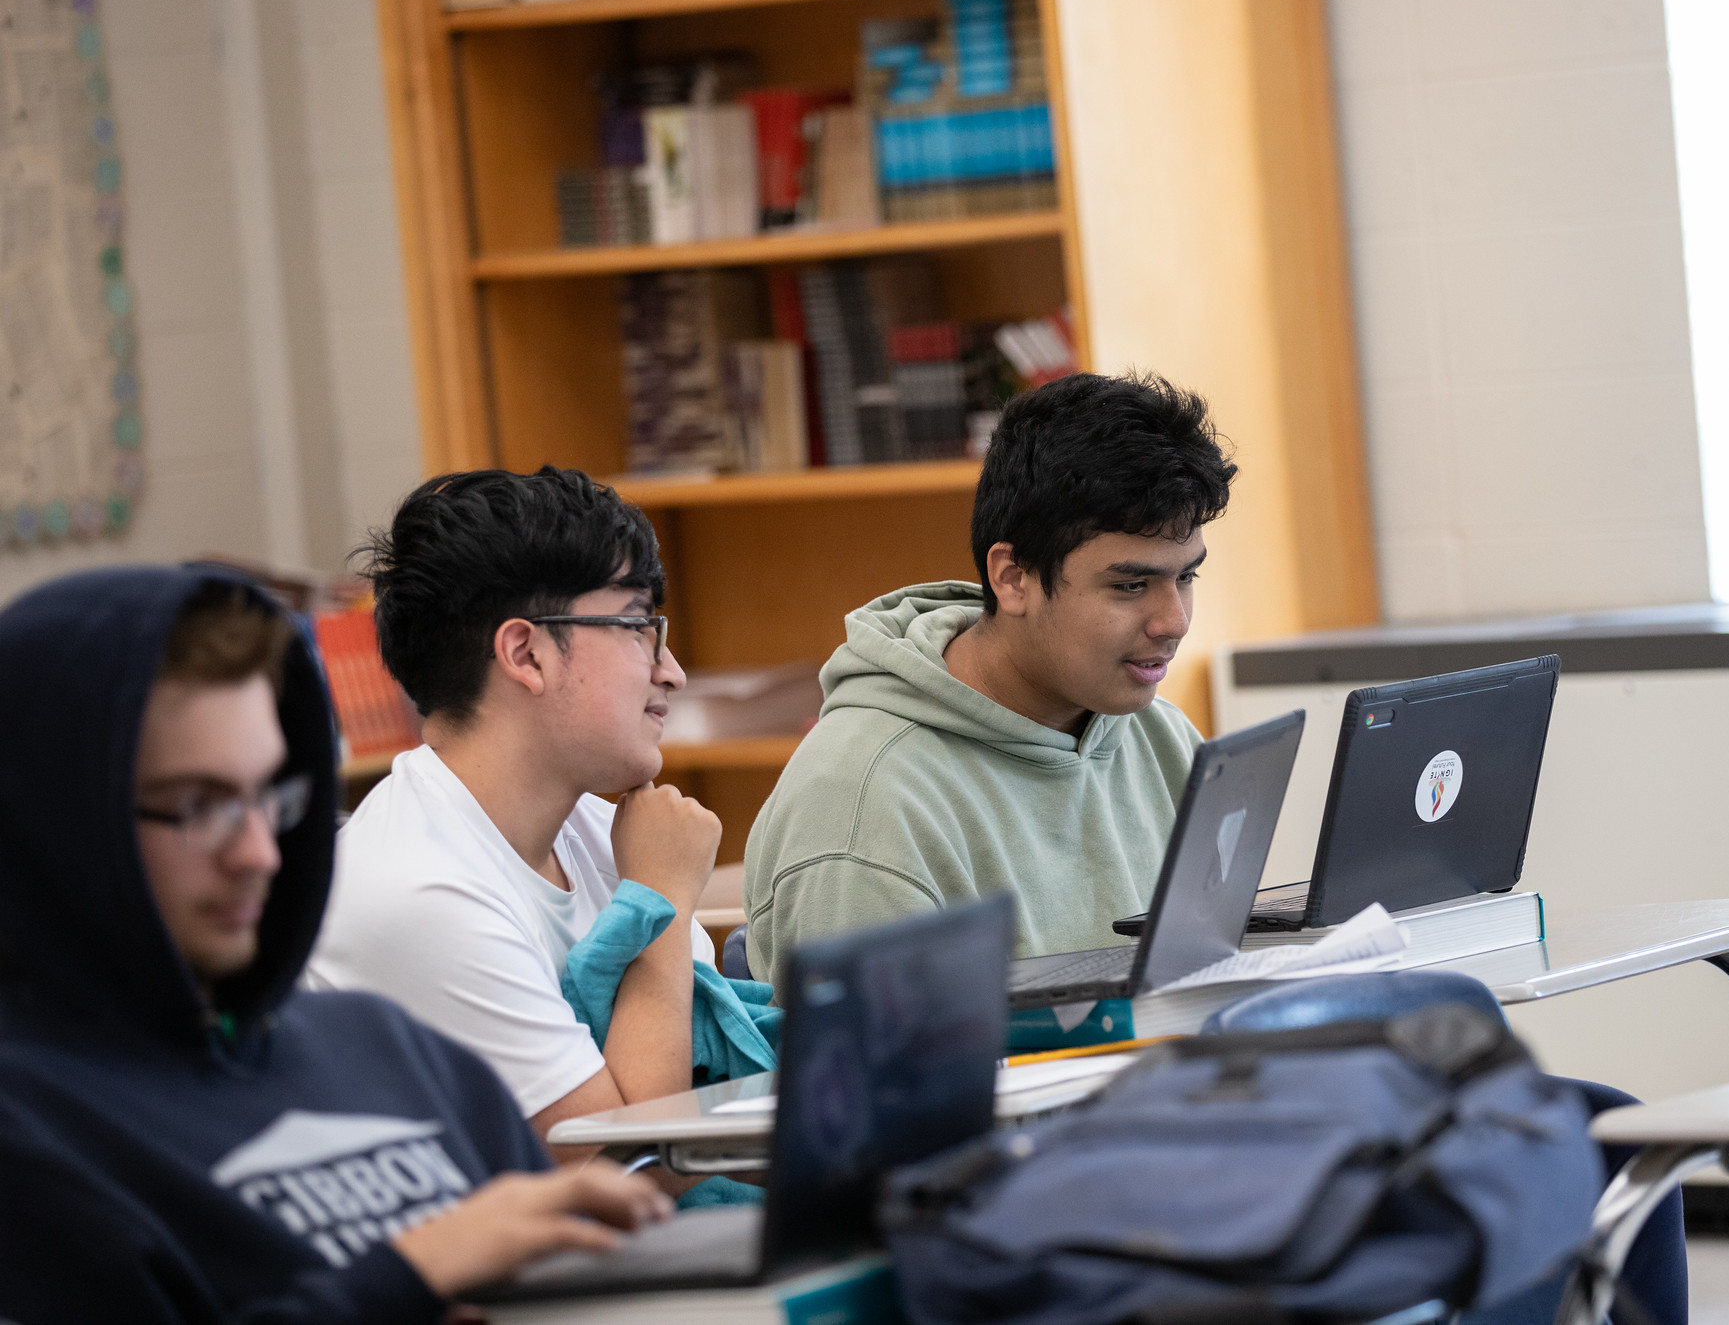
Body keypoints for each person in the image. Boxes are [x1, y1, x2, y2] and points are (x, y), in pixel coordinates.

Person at [0, 566, 674, 1323]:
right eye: (199, 804)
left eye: (269, 796)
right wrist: (414, 1271)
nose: (258, 850)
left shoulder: (386, 1047)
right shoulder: (32, 1129)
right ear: (55, 821)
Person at [743, 371, 1234, 987]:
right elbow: (883, 1081)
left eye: (1186, 578)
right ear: (1012, 577)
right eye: (1130, 585)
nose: (1174, 621)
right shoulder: (865, 805)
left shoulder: (1161, 736)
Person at [306, 468, 727, 1151]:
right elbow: (637, 1168)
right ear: (526, 653)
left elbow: (716, 1073)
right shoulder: (417, 890)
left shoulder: (598, 826)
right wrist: (663, 906)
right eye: (636, 626)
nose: (671, 670)